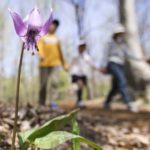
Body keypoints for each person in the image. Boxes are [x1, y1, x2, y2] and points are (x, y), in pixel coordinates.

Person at [100, 25, 143, 112]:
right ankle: (129, 103)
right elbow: (105, 55)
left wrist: (141, 59)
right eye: (119, 34)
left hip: (120, 65)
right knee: (122, 81)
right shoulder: (110, 43)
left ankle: (106, 102)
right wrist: (103, 66)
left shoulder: (123, 45)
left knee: (115, 87)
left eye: (122, 34)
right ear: (115, 34)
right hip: (112, 63)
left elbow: (130, 55)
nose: (121, 36)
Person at [38, 19, 67, 107]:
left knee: (55, 82)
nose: (53, 27)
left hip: (56, 64)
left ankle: (53, 102)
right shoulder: (43, 36)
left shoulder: (56, 39)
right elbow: (39, 46)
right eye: (52, 24)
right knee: (43, 84)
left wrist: (64, 64)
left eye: (55, 26)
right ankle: (41, 103)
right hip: (44, 63)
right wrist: (41, 55)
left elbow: (60, 52)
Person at [70, 40, 96, 107]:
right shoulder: (75, 55)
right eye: (81, 46)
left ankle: (79, 101)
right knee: (79, 85)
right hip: (75, 73)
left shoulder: (86, 57)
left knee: (81, 87)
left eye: (83, 47)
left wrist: (96, 68)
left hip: (83, 74)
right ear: (78, 47)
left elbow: (91, 64)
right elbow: (71, 64)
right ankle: (79, 99)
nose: (82, 48)